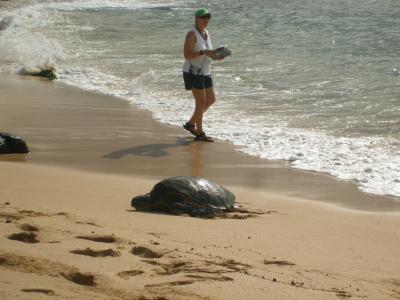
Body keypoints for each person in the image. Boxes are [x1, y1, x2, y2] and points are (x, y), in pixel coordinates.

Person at [182, 8, 220, 142]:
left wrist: (217, 56)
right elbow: (186, 55)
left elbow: (207, 52)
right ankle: (199, 133)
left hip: (205, 71)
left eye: (208, 18)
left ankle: (191, 123)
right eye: (203, 17)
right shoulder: (191, 34)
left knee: (211, 100)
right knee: (201, 102)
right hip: (193, 72)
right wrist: (203, 52)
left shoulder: (206, 33)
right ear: (196, 19)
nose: (206, 20)